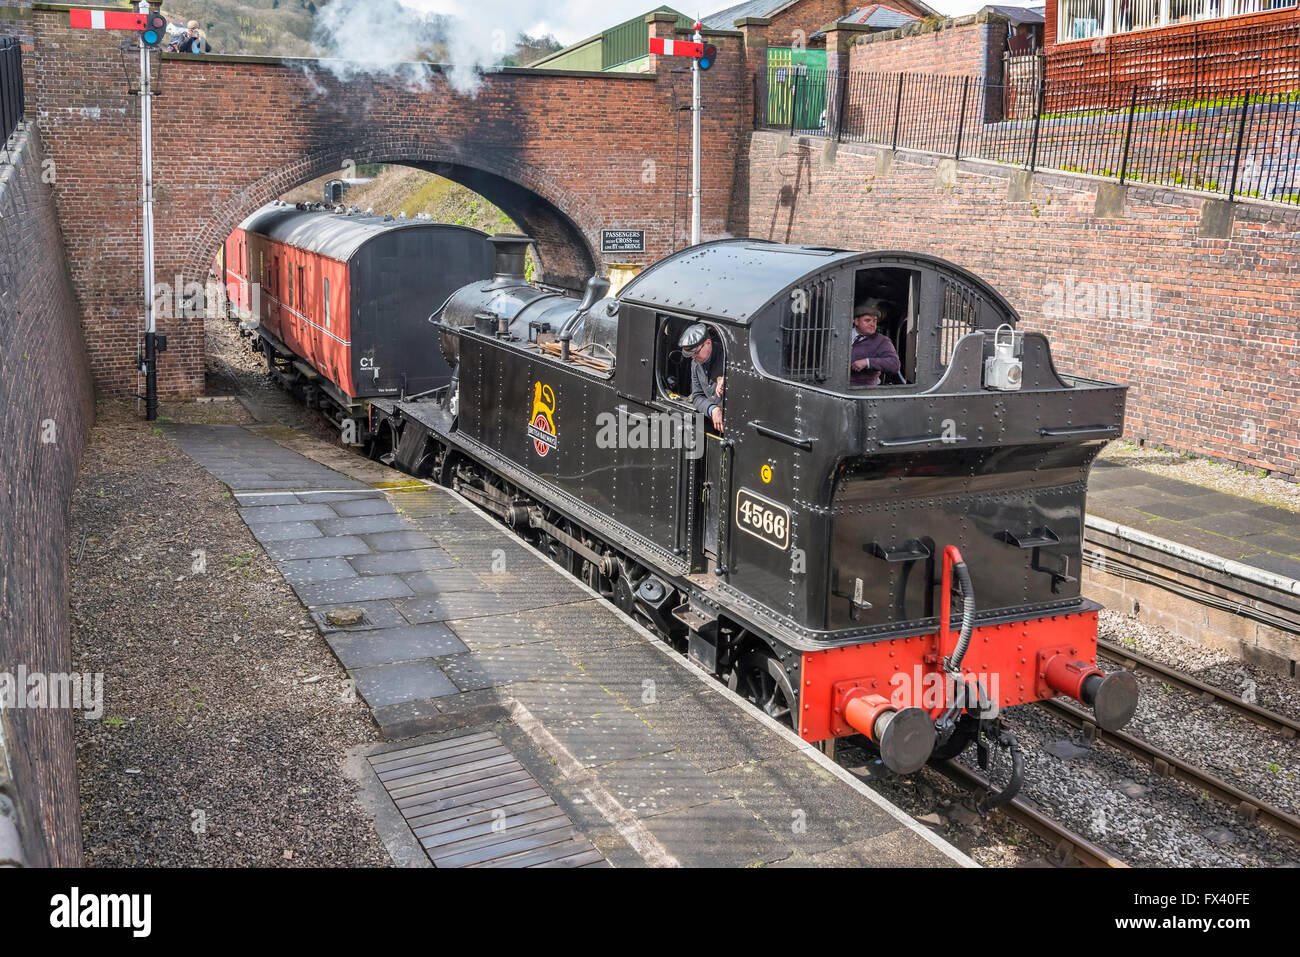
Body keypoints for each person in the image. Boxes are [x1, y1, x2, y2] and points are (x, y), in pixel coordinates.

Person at [678, 323, 724, 434]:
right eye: (690, 355)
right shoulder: (695, 363)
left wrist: (729, 378)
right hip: (714, 425)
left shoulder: (727, 356)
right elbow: (697, 396)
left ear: (708, 343)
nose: (693, 357)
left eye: (695, 353)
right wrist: (712, 409)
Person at [850, 298, 901, 387]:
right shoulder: (841, 335)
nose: (872, 324)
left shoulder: (882, 341)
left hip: (863, 391)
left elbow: (895, 364)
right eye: (867, 320)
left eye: (875, 320)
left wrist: (868, 362)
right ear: (856, 321)